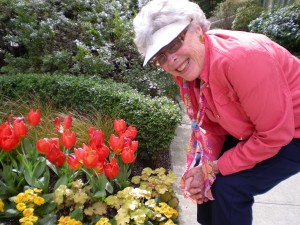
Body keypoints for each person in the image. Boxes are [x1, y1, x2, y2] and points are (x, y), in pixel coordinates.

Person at [133, 0, 300, 224]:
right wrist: (202, 168)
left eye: (174, 43)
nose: (170, 59)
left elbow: (274, 135)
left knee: (230, 189)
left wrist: (215, 167)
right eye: (160, 55)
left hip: (291, 132)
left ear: (198, 29)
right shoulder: (186, 69)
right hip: (255, 127)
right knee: (209, 183)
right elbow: (211, 124)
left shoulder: (243, 59)